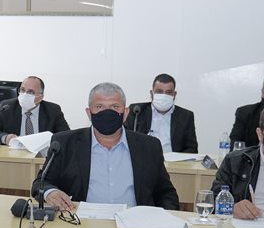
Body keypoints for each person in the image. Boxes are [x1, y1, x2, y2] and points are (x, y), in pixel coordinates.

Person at [35, 84, 181, 213]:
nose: (107, 112)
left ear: (126, 113)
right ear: (89, 113)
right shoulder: (65, 143)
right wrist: (50, 192)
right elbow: (41, 183)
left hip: (135, 225)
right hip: (80, 224)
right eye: (99, 107)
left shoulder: (149, 146)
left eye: (115, 107)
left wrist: (166, 219)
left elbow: (166, 193)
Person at [0, 76, 68, 146]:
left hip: (42, 156)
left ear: (40, 97)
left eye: (31, 92)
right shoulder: (7, 107)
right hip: (15, 155)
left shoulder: (53, 110)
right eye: (22, 90)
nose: (25, 95)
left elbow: (66, 136)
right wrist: (5, 138)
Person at [129, 75, 198, 156]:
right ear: (152, 93)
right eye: (159, 91)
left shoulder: (186, 116)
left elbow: (192, 149)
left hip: (173, 162)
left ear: (174, 94)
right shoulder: (137, 111)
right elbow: (125, 140)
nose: (164, 96)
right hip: (143, 159)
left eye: (168, 92)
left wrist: (177, 158)